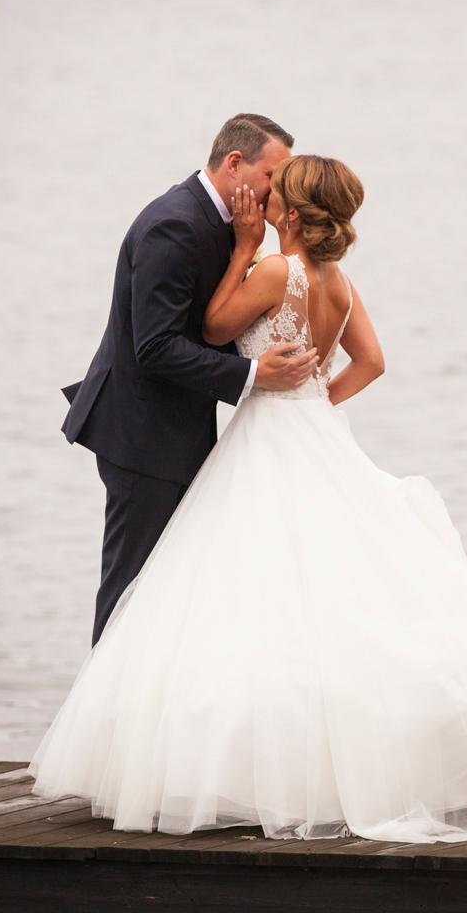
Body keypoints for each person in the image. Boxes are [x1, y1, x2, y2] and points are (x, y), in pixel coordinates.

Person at [30, 154, 467, 844]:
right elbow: (372, 362)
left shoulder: (275, 271)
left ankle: (236, 769)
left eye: (275, 195)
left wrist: (246, 251)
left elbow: (218, 328)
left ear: (290, 211)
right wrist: (314, 403)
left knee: (244, 590)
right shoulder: (338, 281)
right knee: (332, 587)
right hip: (316, 431)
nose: (265, 199)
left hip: (267, 436)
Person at [59, 114, 318, 646]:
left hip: (183, 434)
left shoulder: (232, 226)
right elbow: (153, 348)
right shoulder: (174, 225)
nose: (281, 189)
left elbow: (215, 322)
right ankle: (102, 721)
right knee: (130, 594)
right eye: (274, 174)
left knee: (172, 596)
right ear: (234, 163)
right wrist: (254, 373)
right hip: (142, 437)